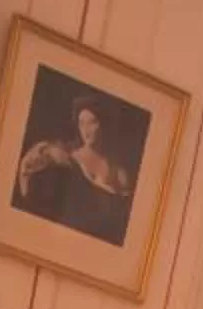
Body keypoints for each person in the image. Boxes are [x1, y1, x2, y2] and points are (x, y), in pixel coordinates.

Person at [15, 94, 134, 245]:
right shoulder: (68, 156)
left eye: (92, 122)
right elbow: (28, 166)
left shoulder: (117, 172)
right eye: (81, 123)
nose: (86, 130)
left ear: (102, 123)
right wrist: (48, 149)